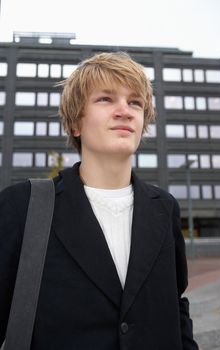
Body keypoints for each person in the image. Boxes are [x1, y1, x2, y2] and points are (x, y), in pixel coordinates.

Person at [0, 52, 199, 349]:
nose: (125, 111)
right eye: (106, 99)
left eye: (135, 102)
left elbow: (175, 304)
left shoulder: (164, 207)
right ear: (75, 124)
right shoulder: (22, 206)